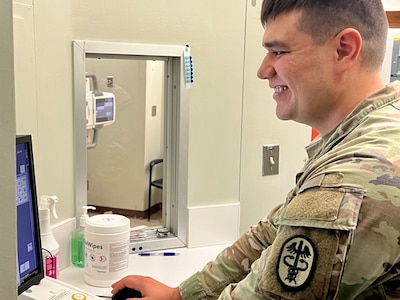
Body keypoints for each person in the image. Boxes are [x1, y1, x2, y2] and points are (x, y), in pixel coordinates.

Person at [112, 0, 400, 298]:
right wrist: (181, 295)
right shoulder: (361, 134)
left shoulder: (353, 180)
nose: (263, 71)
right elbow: (269, 233)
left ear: (344, 49)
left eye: (278, 51)